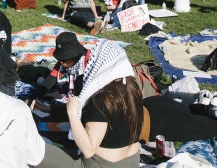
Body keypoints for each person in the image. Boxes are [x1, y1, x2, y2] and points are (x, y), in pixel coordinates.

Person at [38, 39, 141, 168]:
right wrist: (48, 109)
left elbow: (88, 150)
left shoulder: (102, 99)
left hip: (101, 164)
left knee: (36, 150)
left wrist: (72, 114)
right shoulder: (132, 88)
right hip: (132, 162)